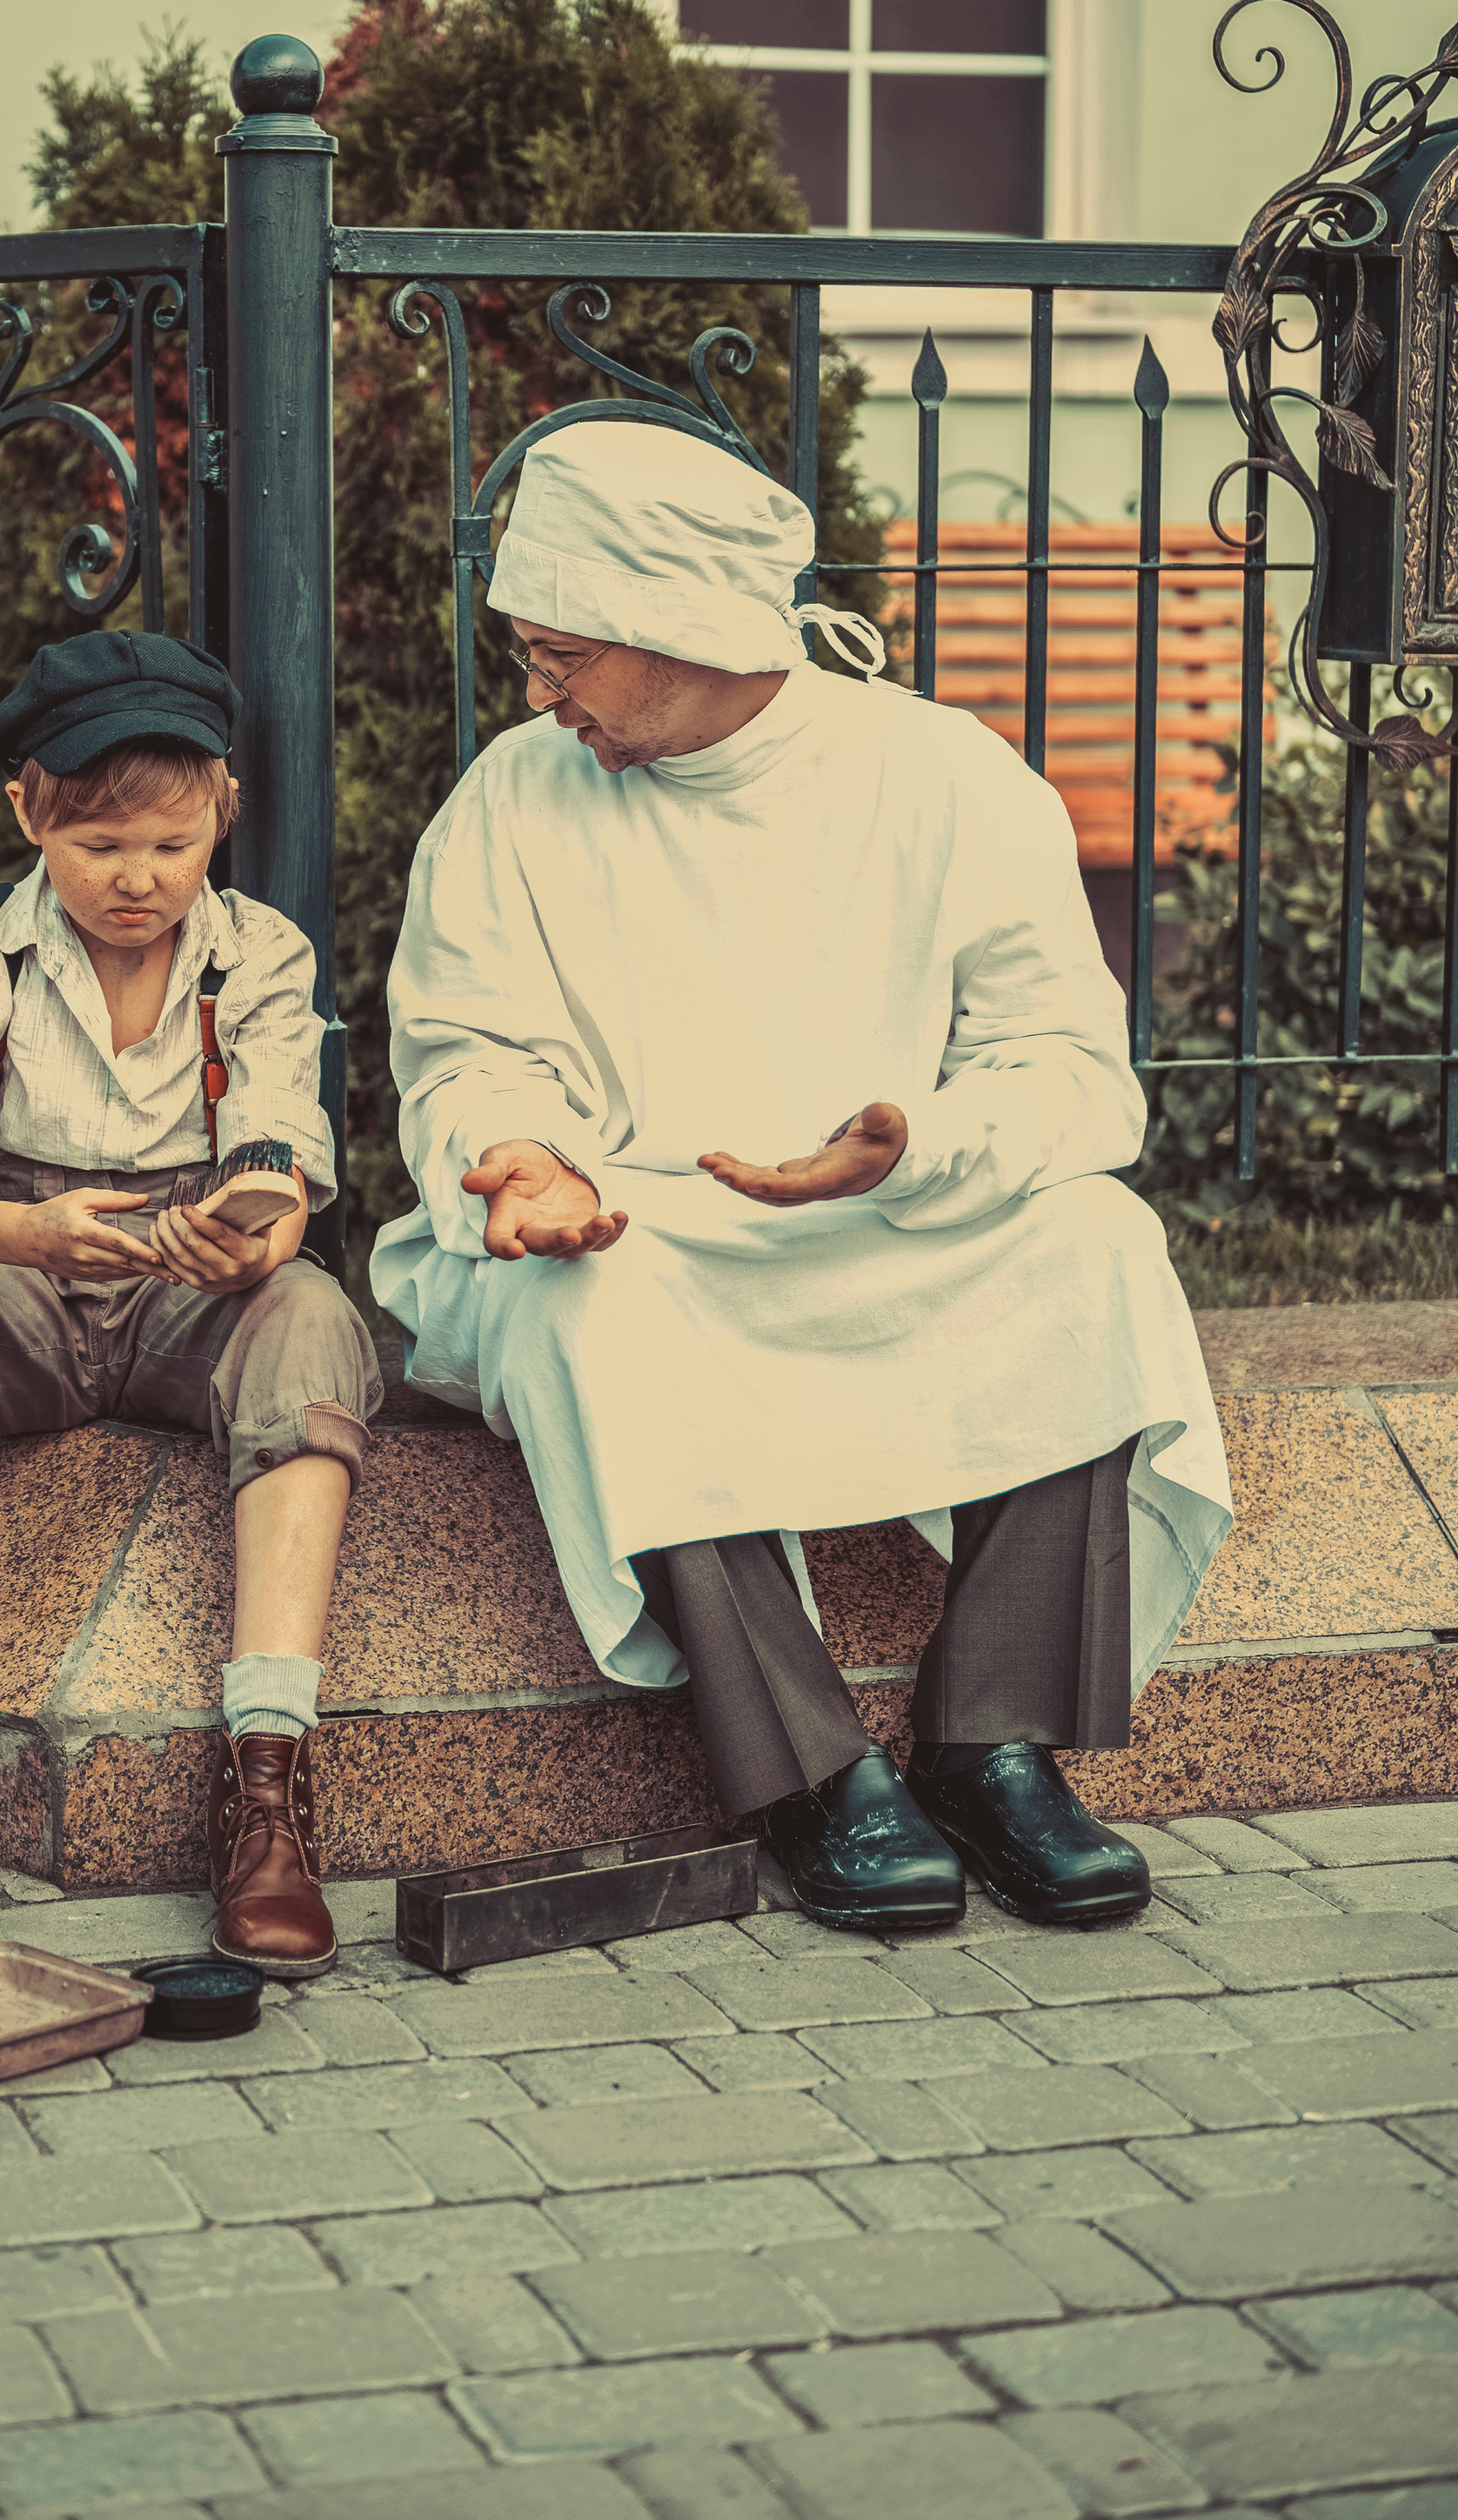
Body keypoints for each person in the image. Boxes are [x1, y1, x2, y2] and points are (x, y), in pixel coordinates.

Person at [371, 422, 1232, 1934]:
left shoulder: (950, 779)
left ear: (682, 627)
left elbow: (1071, 1071)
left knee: (1099, 1245)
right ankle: (820, 1777)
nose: (539, 692)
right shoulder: (514, 798)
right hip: (636, 1223)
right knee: (600, 1304)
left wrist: (910, 1147)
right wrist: (520, 1163)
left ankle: (992, 1743)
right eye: (526, 654)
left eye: (560, 653)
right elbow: (466, 1042)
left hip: (893, 1216)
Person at [0, 629, 380, 1975]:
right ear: (31, 813)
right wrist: (22, 1233)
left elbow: (279, 1148)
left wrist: (250, 1242)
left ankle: (267, 1784)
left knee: (315, 1317)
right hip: (15, 1276)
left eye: (169, 841)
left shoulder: (259, 952)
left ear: (223, 803)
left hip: (186, 1285)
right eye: (100, 848)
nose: (139, 879)